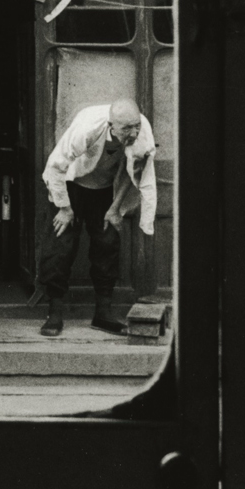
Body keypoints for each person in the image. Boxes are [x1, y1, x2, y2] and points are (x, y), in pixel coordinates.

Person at [38, 98, 157, 337]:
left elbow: (131, 171)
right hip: (72, 185)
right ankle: (55, 313)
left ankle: (103, 314)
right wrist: (64, 207)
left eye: (135, 126)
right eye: (126, 129)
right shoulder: (88, 128)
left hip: (104, 190)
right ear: (111, 125)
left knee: (107, 245)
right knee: (61, 246)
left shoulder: (140, 131)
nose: (133, 133)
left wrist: (114, 209)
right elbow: (55, 166)